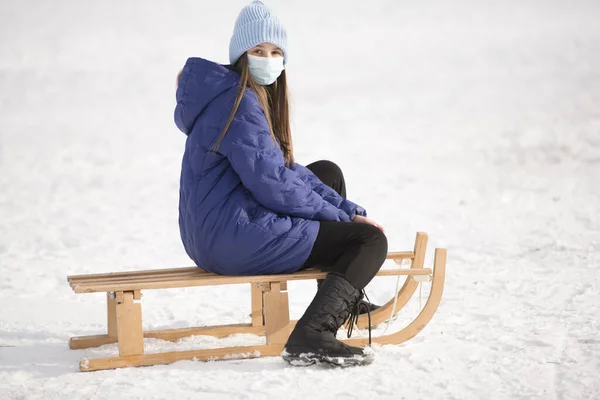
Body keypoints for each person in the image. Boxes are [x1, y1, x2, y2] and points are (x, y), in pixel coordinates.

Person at [174, 1, 388, 367]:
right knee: (369, 241)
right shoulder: (238, 103)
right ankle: (314, 334)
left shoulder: (232, 94)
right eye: (258, 51)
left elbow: (280, 169)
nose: (268, 59)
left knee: (326, 172)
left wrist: (345, 210)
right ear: (241, 54)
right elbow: (272, 184)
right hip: (230, 238)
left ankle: (338, 299)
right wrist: (345, 220)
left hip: (219, 228)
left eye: (276, 52)